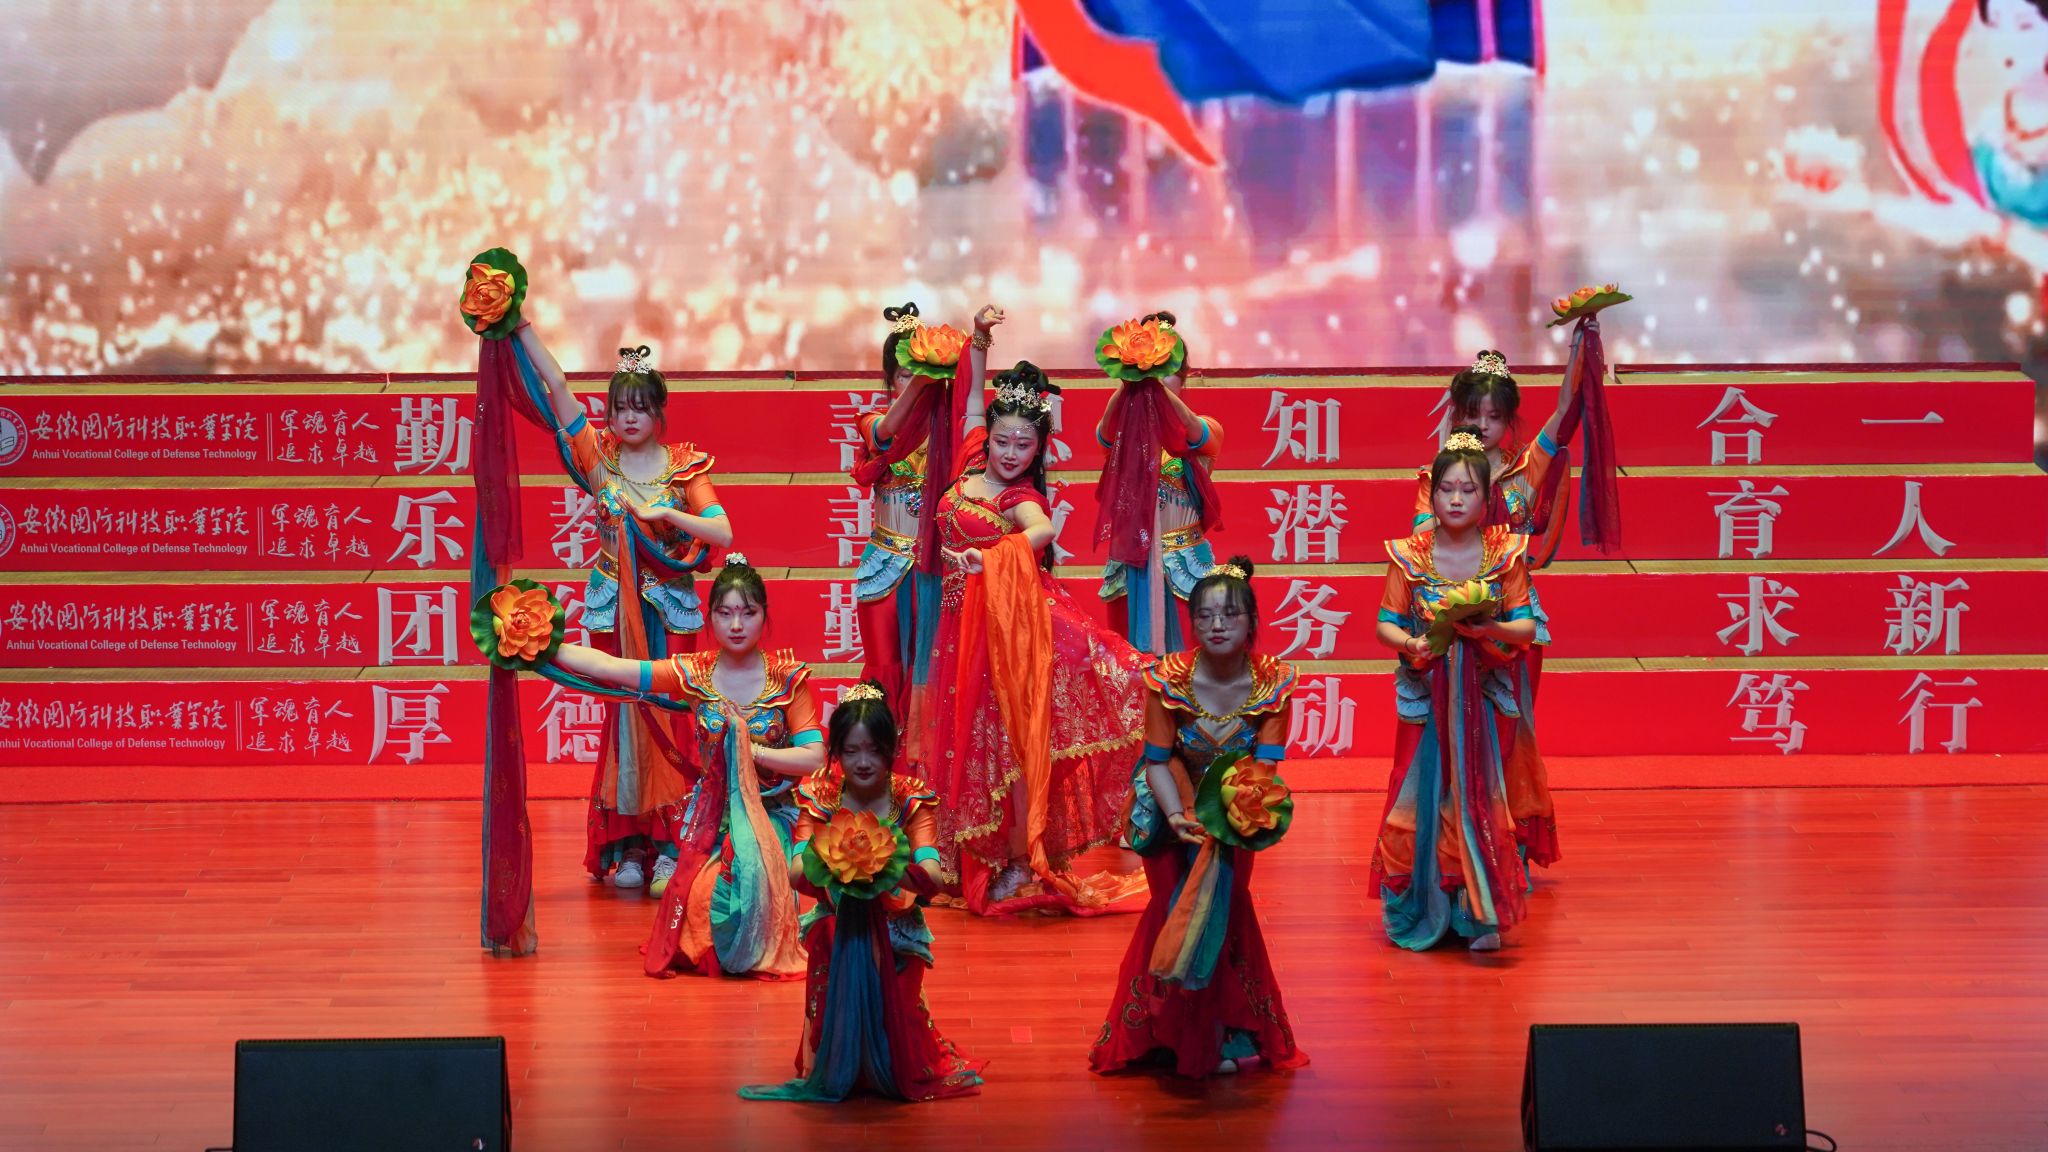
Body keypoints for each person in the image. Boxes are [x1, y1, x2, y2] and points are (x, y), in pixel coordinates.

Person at [924, 359, 1150, 915]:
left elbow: (1042, 530)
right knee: (968, 739)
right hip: (959, 629)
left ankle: (1021, 859)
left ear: (1038, 449)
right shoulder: (970, 462)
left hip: (1005, 630)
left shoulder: (1018, 498)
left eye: (1024, 446)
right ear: (988, 437)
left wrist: (989, 558)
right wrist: (980, 341)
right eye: (1002, 440)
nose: (1009, 453)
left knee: (1010, 742)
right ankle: (972, 858)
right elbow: (971, 402)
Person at [517, 323, 734, 890]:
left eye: (640, 407)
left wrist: (666, 515)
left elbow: (722, 531)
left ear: (659, 412)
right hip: (614, 604)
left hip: (669, 607)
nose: (629, 417)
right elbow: (557, 387)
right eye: (619, 408)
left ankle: (670, 843)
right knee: (625, 717)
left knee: (671, 715)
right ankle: (631, 843)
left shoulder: (684, 466)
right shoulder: (601, 460)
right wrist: (521, 326)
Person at [1089, 558, 1310, 1079]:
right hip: (1168, 811)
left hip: (1235, 814)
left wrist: (1230, 819)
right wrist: (1177, 814)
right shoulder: (1168, 678)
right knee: (1175, 909)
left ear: (1251, 621)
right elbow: (1157, 762)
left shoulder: (1274, 683)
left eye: (1229, 615)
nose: (1216, 625)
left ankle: (1224, 1033)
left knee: (1226, 910)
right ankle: (1165, 1033)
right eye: (1205, 615)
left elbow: (1265, 768)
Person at [552, 557, 822, 978]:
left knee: (750, 880)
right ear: (710, 617)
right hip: (714, 817)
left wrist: (752, 752)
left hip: (773, 813)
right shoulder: (695, 673)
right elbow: (613, 668)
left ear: (764, 616)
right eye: (725, 613)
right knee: (702, 900)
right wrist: (542, 645)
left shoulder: (787, 680)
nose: (736, 625)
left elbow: (814, 757)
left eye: (748, 612)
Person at [739, 682, 985, 1102]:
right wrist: (839, 868)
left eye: (873, 750)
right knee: (828, 938)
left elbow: (933, 873)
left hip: (896, 924)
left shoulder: (910, 798)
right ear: (835, 752)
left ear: (890, 749)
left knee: (896, 1001)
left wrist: (884, 867)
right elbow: (797, 871)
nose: (864, 762)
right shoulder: (820, 795)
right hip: (838, 921)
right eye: (851, 751)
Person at [1373, 430, 1543, 953]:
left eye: (1468, 490)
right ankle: (1425, 901)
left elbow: (1526, 628)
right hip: (1427, 693)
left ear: (1487, 498)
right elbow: (1384, 624)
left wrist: (1488, 628)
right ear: (1432, 495)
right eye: (1446, 488)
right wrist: (1413, 643)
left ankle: (1477, 911)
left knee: (1479, 793)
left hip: (1483, 694)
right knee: (1418, 793)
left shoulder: (1505, 553)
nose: (1455, 499)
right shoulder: (1408, 555)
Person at [847, 301, 1002, 750]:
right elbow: (885, 434)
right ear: (889, 379)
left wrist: (977, 339)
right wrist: (922, 376)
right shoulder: (872, 423)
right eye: (901, 374)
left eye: (917, 373)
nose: (911, 382)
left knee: (932, 664)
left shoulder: (950, 434)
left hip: (935, 565)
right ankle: (878, 757)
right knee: (884, 666)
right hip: (884, 565)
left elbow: (973, 398)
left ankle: (923, 758)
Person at [1092, 311, 1224, 655]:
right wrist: (1130, 381)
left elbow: (1192, 429)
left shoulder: (1206, 429)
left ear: (1184, 376)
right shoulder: (1122, 438)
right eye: (1149, 373)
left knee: (1187, 664)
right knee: (1128, 663)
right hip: (1130, 565)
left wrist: (1153, 386)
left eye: (1167, 372)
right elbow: (1105, 432)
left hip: (1184, 564)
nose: (1156, 381)